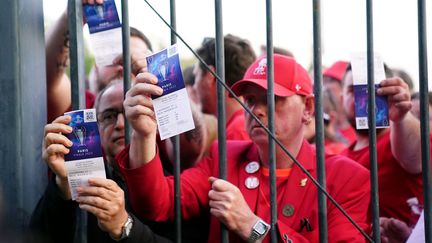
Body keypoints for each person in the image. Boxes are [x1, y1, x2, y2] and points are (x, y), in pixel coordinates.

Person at [117, 54, 371, 242]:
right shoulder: (225, 156)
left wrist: (253, 227)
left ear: (308, 109)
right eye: (249, 99)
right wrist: (144, 134)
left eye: (272, 99)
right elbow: (156, 203)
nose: (256, 109)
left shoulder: (347, 177)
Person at [340, 63, 426, 225]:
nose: (362, 98)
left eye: (370, 90)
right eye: (353, 90)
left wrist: (401, 117)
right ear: (341, 98)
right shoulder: (339, 157)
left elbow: (415, 156)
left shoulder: (399, 139)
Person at [45, 0, 152, 122]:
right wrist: (71, 15)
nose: (122, 67)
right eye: (113, 59)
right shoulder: (80, 102)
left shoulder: (161, 112)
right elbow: (46, 77)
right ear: (96, 68)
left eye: (135, 60)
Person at [194, 34, 256, 140]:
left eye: (196, 76)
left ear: (210, 76)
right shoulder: (242, 125)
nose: (195, 86)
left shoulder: (237, 131)